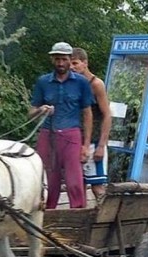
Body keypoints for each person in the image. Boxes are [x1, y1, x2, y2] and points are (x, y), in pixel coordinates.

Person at [29, 42, 94, 209]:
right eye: (57, 59)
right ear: (52, 59)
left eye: (64, 59)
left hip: (71, 135)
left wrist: (86, 145)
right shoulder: (43, 82)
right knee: (47, 180)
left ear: (69, 59)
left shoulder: (81, 83)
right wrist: (41, 110)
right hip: (48, 134)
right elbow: (31, 112)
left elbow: (87, 114)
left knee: (74, 181)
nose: (60, 63)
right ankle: (46, 216)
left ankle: (77, 219)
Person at [70, 47, 112, 201]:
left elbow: (107, 115)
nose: (72, 67)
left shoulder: (96, 84)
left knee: (97, 186)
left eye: (75, 63)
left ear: (85, 63)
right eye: (70, 64)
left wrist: (101, 146)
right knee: (77, 185)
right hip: (76, 140)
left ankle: (106, 217)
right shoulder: (72, 83)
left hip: (94, 142)